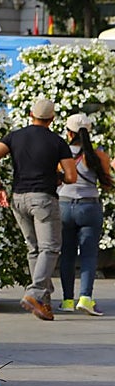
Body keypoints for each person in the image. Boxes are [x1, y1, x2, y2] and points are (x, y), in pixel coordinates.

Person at [0, 96, 78, 321]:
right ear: (52, 119)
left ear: (30, 115)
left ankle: (43, 303)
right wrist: (57, 176)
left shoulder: (14, 136)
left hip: (18, 198)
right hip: (43, 199)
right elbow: (71, 176)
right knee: (50, 248)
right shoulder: (57, 142)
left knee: (34, 249)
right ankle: (35, 293)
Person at [58, 112, 113, 315]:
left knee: (67, 255)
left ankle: (67, 301)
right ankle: (85, 298)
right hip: (90, 207)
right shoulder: (98, 155)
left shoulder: (61, 154)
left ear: (69, 133)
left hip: (64, 205)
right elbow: (107, 185)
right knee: (89, 255)